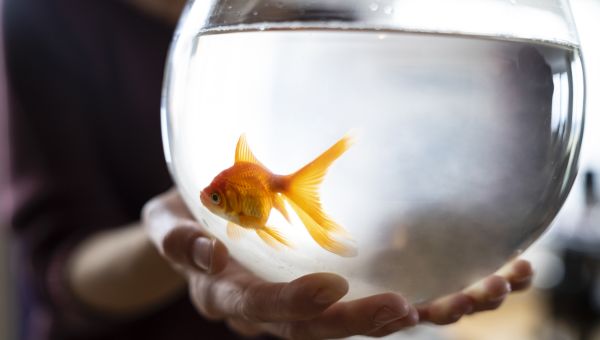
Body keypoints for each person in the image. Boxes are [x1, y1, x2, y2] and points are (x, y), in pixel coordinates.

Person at [0, 0, 534, 339]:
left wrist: (421, 243)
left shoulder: (332, 18)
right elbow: (59, 272)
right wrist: (191, 236)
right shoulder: (38, 21)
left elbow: (384, 171)